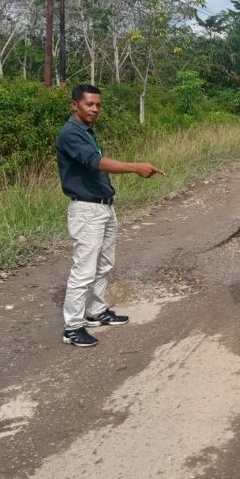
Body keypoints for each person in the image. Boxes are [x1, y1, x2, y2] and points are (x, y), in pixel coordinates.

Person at [56, 84, 164, 348]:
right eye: (89, 104)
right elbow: (96, 162)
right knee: (84, 269)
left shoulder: (87, 132)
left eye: (98, 105)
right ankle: (73, 326)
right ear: (74, 105)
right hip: (86, 209)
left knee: (104, 263)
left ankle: (96, 311)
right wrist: (135, 167)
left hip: (104, 207)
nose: (94, 109)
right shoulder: (71, 134)